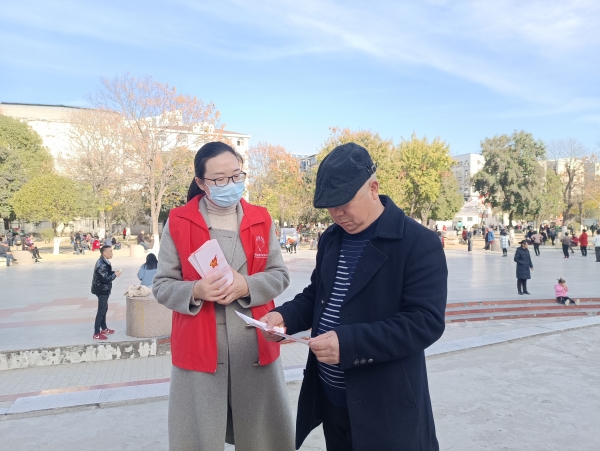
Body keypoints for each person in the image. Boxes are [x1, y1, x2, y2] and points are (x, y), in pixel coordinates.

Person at [261, 143, 447, 451]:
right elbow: (318, 295)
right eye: (329, 207)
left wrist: (350, 344)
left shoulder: (418, 242)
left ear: (373, 188)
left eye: (344, 203)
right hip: (332, 400)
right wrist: (285, 317)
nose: (337, 214)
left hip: (385, 405)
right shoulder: (331, 239)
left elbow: (424, 322)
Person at [152, 142, 294, 451]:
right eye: (218, 179)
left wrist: (247, 286)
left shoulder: (261, 218)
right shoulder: (179, 221)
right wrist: (195, 291)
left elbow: (280, 275)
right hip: (200, 346)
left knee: (262, 437)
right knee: (199, 437)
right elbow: (162, 284)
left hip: (253, 344)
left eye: (236, 175)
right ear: (201, 182)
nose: (230, 184)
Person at [91, 245, 121, 340]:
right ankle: (96, 333)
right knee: (101, 310)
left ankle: (104, 328)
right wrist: (115, 275)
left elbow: (106, 273)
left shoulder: (104, 261)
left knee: (104, 309)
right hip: (101, 290)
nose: (112, 253)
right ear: (104, 253)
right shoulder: (101, 264)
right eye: (110, 251)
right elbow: (105, 279)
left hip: (104, 289)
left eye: (111, 251)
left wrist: (113, 272)